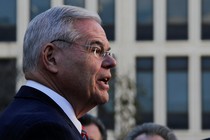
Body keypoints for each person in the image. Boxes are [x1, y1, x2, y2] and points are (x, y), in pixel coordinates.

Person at [0, 5, 116, 140]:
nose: (112, 62)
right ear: (51, 57)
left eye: (107, 52)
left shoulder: (25, 117)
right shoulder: (46, 129)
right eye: (96, 50)